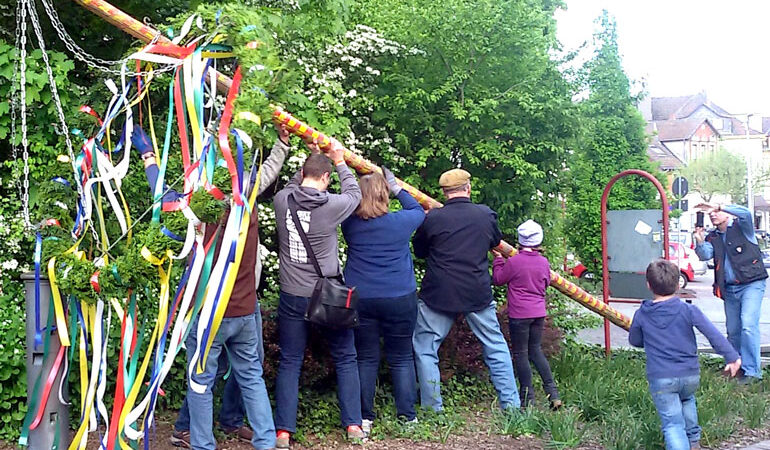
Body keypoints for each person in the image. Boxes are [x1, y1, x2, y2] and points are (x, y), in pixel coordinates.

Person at [134, 122, 291, 449]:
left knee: (201, 381)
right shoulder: (246, 201)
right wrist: (282, 146)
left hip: (208, 317)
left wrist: (148, 155)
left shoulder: (198, 209)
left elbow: (163, 195)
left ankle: (203, 445)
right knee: (252, 379)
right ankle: (265, 441)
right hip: (246, 311)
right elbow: (267, 172)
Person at [272, 138, 363, 448]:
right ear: (326, 179)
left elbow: (290, 183)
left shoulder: (282, 200)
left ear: (302, 173)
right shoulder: (332, 206)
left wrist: (304, 155)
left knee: (290, 361)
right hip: (327, 296)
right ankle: (352, 425)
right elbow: (355, 193)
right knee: (346, 358)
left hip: (292, 294)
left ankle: (283, 431)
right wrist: (339, 160)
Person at [411, 168, 519, 412]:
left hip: (438, 292)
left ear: (444, 192)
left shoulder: (432, 218)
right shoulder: (485, 215)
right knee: (495, 346)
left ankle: (432, 410)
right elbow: (493, 242)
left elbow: (419, 252)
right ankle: (511, 407)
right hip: (476, 291)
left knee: (426, 349)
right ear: (468, 188)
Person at [341, 168, 425, 433]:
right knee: (401, 357)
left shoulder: (350, 224)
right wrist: (397, 188)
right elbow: (419, 209)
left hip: (361, 297)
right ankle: (407, 417)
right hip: (399, 295)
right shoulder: (401, 222)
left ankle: (364, 417)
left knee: (365, 357)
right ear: (384, 194)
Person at [629, 259, 741, 450]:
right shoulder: (688, 310)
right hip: (689, 375)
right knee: (687, 399)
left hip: (662, 376)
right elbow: (712, 334)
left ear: (648, 285)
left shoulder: (642, 313)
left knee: (673, 425)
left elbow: (635, 341)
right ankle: (694, 441)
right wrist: (732, 357)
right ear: (678, 284)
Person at [693, 203, 768, 384]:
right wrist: (700, 240)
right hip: (730, 288)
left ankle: (752, 372)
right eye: (710, 214)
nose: (713, 215)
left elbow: (746, 213)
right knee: (733, 331)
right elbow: (705, 255)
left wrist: (719, 205)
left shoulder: (742, 227)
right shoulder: (713, 237)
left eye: (716, 212)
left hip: (751, 283)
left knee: (748, 326)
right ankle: (736, 367)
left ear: (727, 214)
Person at [491, 219, 561, 410]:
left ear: (520, 240)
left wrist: (498, 260)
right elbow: (545, 283)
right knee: (536, 351)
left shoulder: (514, 262)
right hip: (538, 313)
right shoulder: (544, 262)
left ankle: (527, 398)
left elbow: (498, 279)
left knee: (521, 354)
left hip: (519, 314)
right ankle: (553, 393)